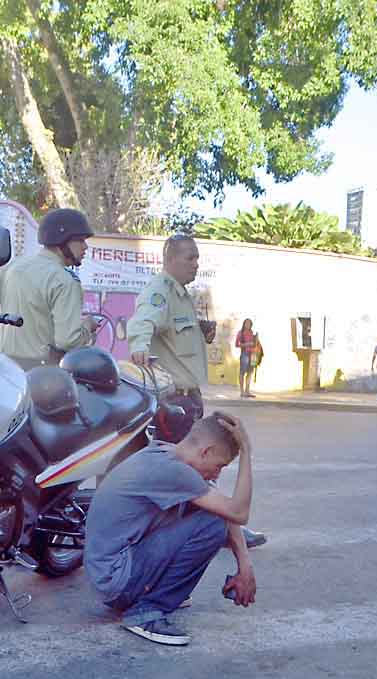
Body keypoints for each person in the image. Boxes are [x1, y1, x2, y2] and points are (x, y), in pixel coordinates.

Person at [127, 234, 267, 549]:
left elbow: (176, 338)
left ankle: (217, 527)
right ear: (170, 259)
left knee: (201, 469)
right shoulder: (160, 292)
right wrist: (138, 346)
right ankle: (212, 531)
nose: (196, 263)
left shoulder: (182, 295)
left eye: (197, 257)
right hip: (173, 400)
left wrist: (201, 332)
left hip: (189, 395)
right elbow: (142, 323)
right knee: (191, 470)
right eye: (190, 257)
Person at [85, 412, 256, 645]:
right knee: (212, 525)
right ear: (205, 452)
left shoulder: (167, 453)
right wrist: (246, 450)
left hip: (112, 571)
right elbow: (238, 512)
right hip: (117, 580)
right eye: (219, 466)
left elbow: (227, 511)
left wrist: (244, 567)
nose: (217, 473)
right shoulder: (173, 472)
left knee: (212, 513)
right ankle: (146, 611)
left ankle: (155, 591)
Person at [0, 207, 94, 368]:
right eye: (80, 240)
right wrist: (87, 326)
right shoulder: (65, 281)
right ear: (62, 241)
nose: (85, 247)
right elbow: (68, 341)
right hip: (45, 377)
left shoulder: (15, 267)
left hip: (9, 371)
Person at [234, 318, 261, 399]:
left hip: (253, 354)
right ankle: (242, 391)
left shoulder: (252, 333)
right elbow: (237, 344)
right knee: (242, 372)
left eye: (249, 323)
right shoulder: (240, 333)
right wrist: (246, 344)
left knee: (250, 372)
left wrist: (256, 339)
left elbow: (255, 344)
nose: (248, 325)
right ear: (244, 324)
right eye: (246, 323)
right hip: (244, 354)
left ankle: (247, 390)